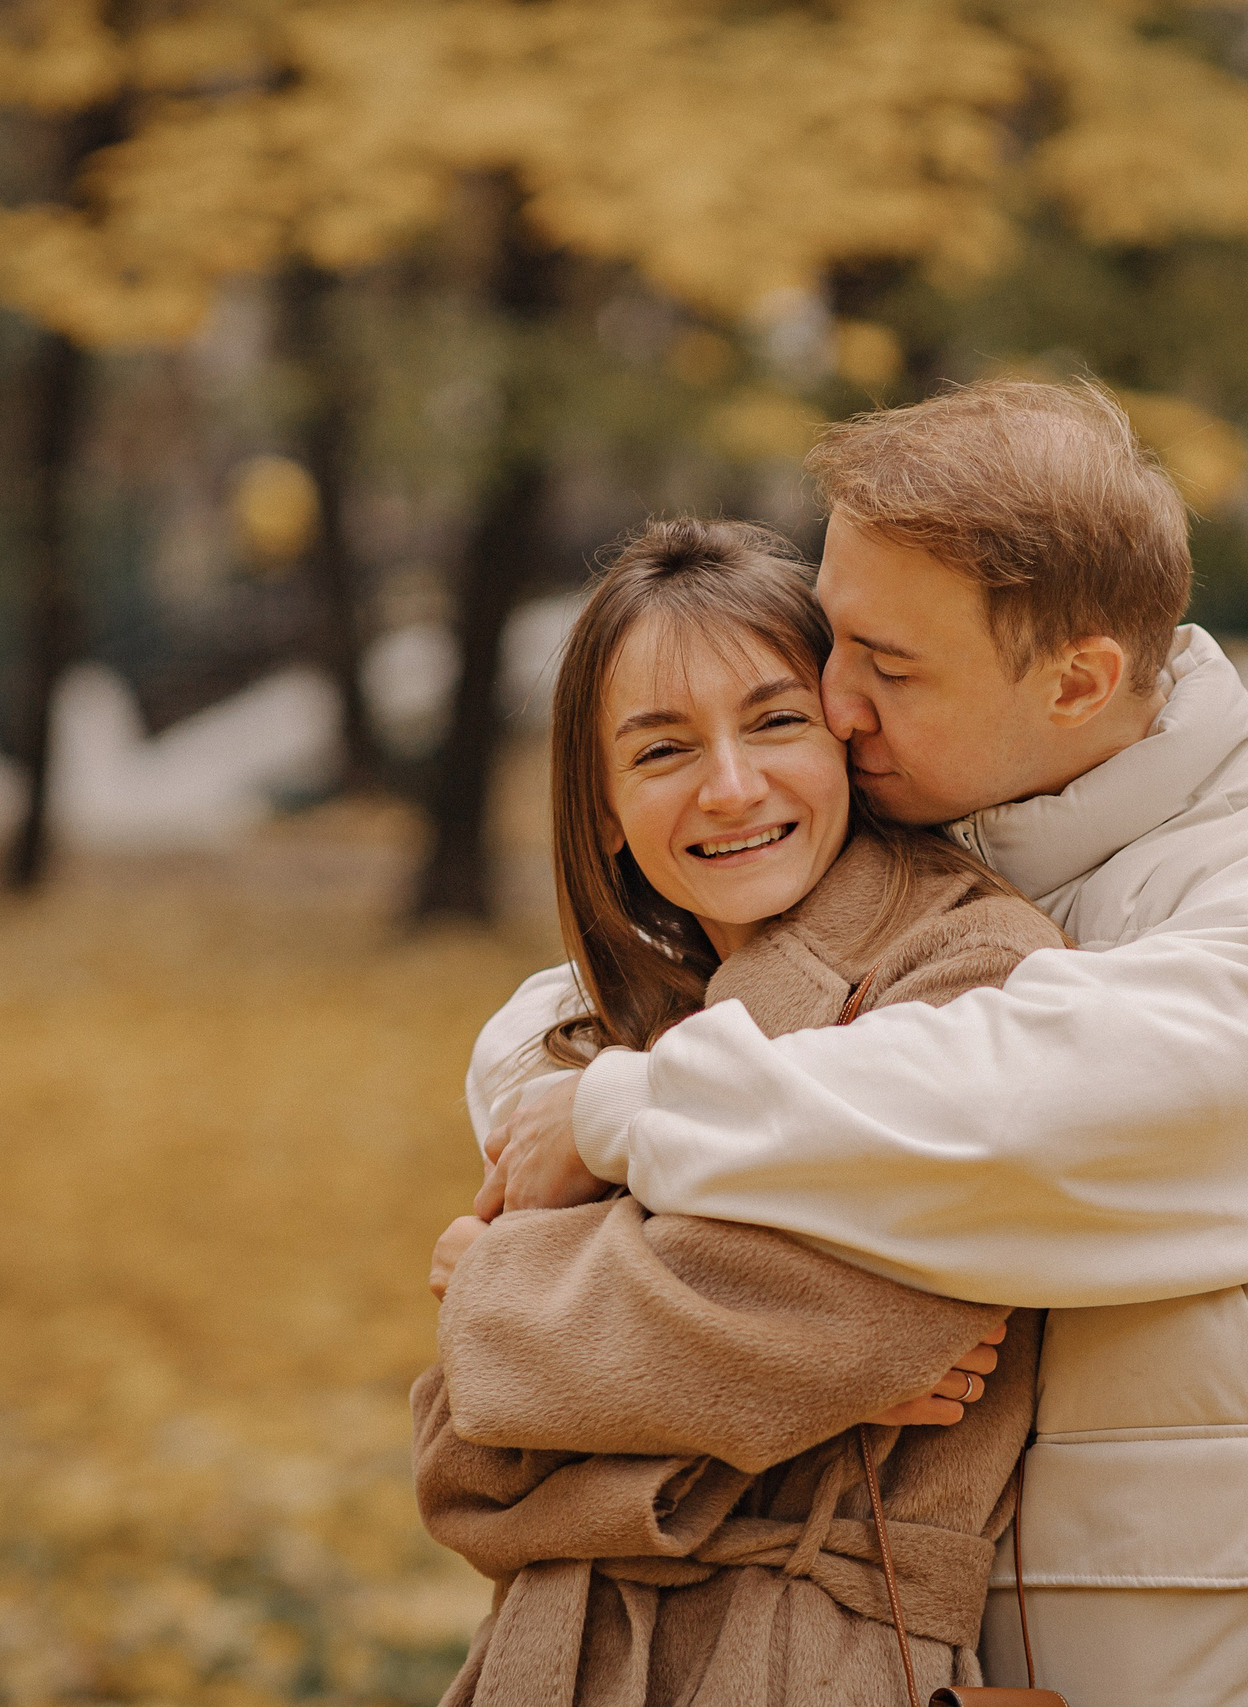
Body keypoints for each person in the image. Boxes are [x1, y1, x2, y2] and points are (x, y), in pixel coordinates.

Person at [470, 380, 1248, 1707]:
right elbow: (566, 1010)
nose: (835, 703)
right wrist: (546, 1110)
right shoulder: (973, 825)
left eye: (886, 664)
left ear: (1077, 678)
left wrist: (608, 1131)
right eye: (834, 641)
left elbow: (993, 1109)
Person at [414, 517, 1068, 1706]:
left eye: (776, 722)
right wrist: (771, 1385)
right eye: (662, 751)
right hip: (547, 1659)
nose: (730, 787)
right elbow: (463, 1468)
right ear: (605, 806)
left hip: (805, 1655)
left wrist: (502, 1291)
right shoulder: (591, 1034)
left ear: (850, 741)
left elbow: (883, 1321)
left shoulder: (973, 965)